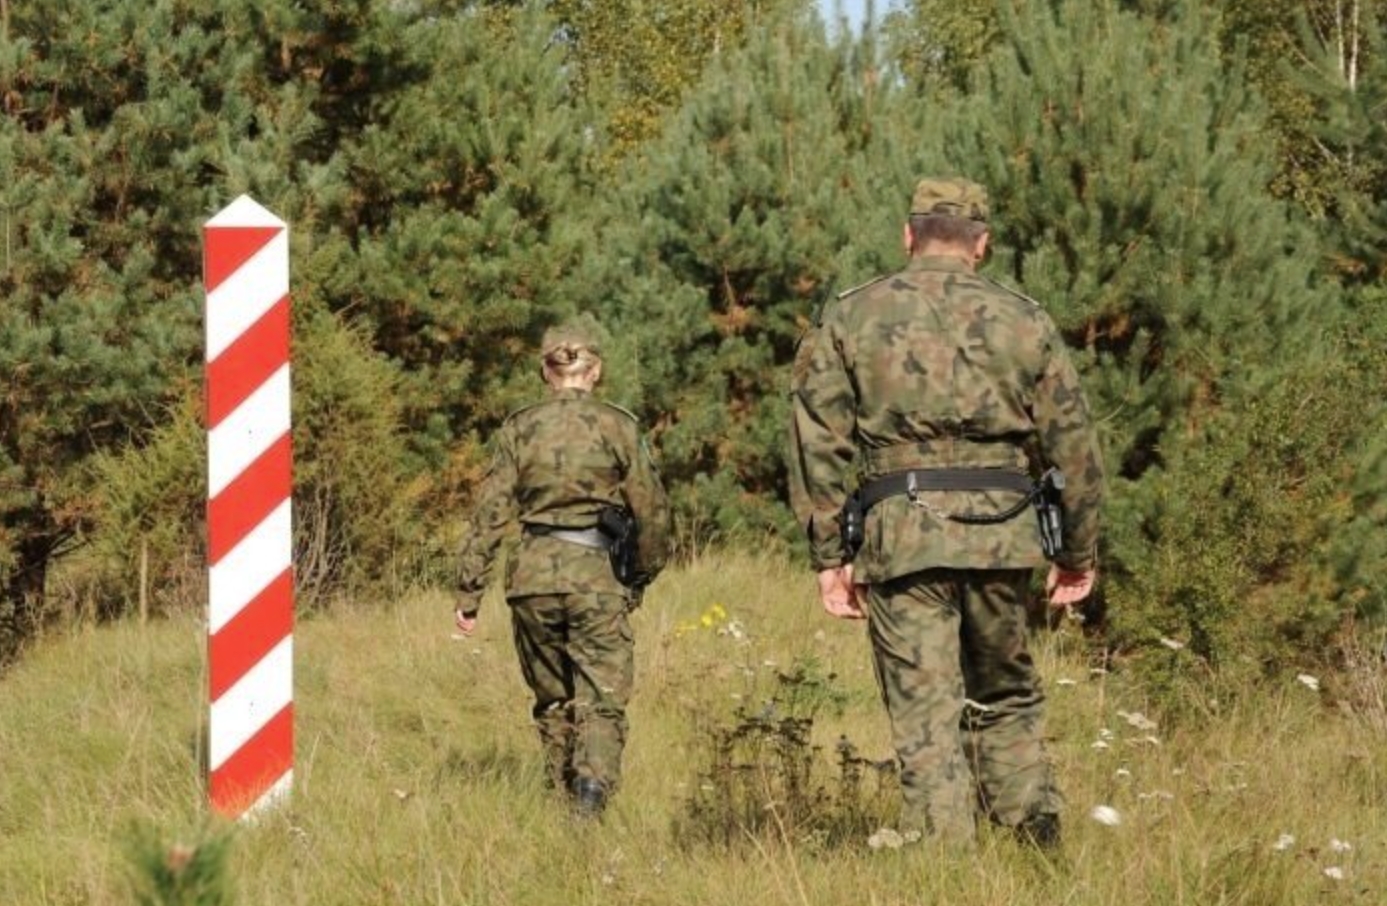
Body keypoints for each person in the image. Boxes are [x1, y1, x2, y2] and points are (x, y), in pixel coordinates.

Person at [787, 178, 1104, 848]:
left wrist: (828, 558)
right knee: (1005, 691)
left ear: (908, 236)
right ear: (980, 245)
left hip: (901, 533)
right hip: (1003, 535)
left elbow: (816, 442)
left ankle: (944, 864)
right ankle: (1032, 841)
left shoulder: (852, 314)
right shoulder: (1024, 318)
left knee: (925, 712)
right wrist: (1076, 550)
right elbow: (1073, 445)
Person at [454, 314, 671, 817]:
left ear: (546, 373)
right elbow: (653, 511)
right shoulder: (619, 425)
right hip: (597, 575)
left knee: (552, 699)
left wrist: (468, 594)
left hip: (531, 579)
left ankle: (560, 797)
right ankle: (589, 803)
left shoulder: (519, 428)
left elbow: (489, 515)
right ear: (594, 371)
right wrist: (640, 573)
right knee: (602, 698)